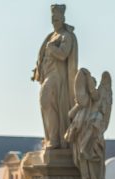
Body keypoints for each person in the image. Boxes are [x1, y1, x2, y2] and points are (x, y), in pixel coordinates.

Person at [32, 4, 78, 149]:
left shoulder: (67, 35)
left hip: (57, 77)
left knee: (47, 101)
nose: (54, 21)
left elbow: (63, 54)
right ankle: (51, 137)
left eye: (57, 18)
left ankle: (55, 139)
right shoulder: (51, 36)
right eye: (52, 18)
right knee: (45, 105)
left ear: (62, 18)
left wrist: (51, 49)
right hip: (48, 76)